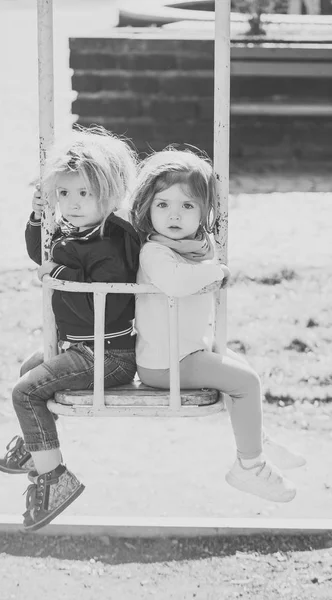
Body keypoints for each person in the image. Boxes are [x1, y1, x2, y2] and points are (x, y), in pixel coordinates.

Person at [131, 148, 305, 503]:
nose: (174, 215)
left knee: (239, 365)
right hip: (165, 364)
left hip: (188, 348)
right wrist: (218, 271)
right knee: (245, 382)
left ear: (204, 211)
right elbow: (179, 283)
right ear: (148, 208)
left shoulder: (192, 246)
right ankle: (249, 466)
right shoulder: (156, 252)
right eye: (162, 205)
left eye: (187, 206)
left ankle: (257, 439)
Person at [0, 126, 140, 531]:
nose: (72, 204)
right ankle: (34, 447)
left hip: (109, 355)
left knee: (25, 393)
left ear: (108, 195)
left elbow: (99, 304)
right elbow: (39, 250)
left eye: (84, 195)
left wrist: (58, 273)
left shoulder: (111, 244)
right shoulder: (79, 232)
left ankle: (54, 478)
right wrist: (38, 215)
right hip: (83, 348)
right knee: (30, 370)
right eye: (64, 194)